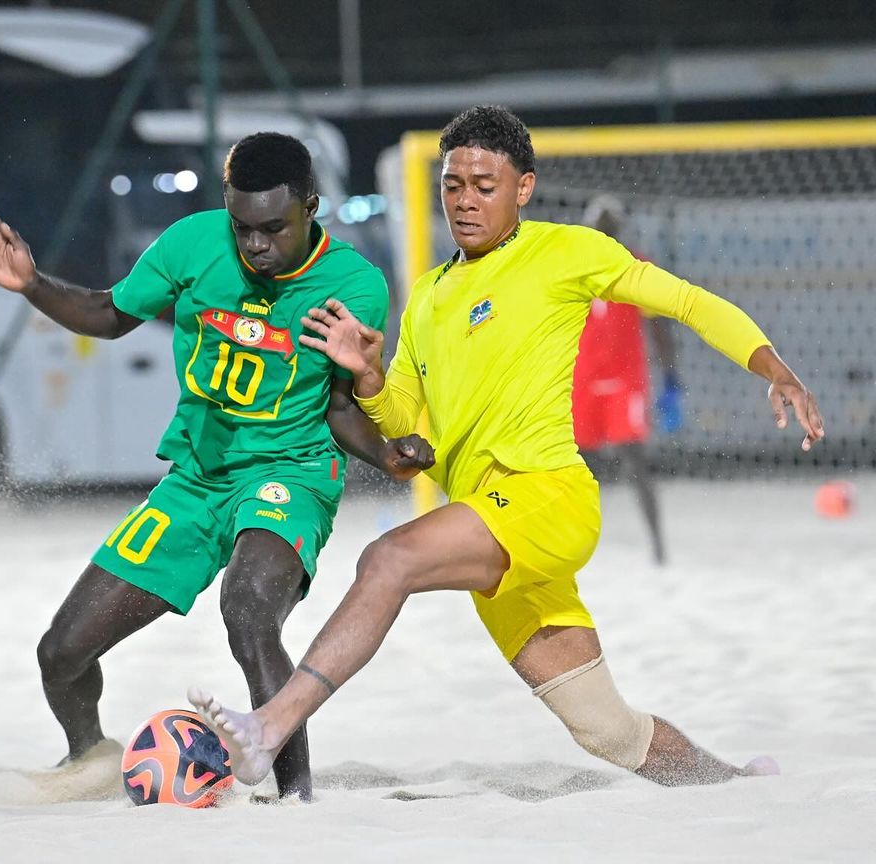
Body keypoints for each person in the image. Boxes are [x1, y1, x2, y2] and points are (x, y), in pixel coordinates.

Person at [189, 106, 824, 789]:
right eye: (453, 184)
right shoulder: (430, 294)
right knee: (607, 731)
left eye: (484, 185)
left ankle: (270, 726)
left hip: (543, 493)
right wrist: (368, 374)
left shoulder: (567, 252)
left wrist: (773, 368)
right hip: (491, 522)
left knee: (389, 558)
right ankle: (733, 782)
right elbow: (405, 415)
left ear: (523, 187)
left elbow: (689, 302)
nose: (464, 200)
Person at [0, 132, 433, 802]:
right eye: (243, 228)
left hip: (291, 473)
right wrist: (33, 284)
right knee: (60, 655)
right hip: (196, 480)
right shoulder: (191, 244)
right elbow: (106, 314)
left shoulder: (353, 284)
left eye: (274, 228)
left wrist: (388, 454)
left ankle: (296, 798)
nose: (257, 245)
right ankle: (91, 757)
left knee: (247, 607)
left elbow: (338, 409)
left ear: (312, 207)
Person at [572, 194, 682, 564]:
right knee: (572, 465)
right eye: (599, 225)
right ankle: (570, 546)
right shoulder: (573, 269)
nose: (604, 231)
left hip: (624, 380)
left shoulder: (638, 267)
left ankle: (659, 546)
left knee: (635, 461)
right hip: (582, 378)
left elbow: (661, 327)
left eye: (610, 225)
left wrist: (671, 379)